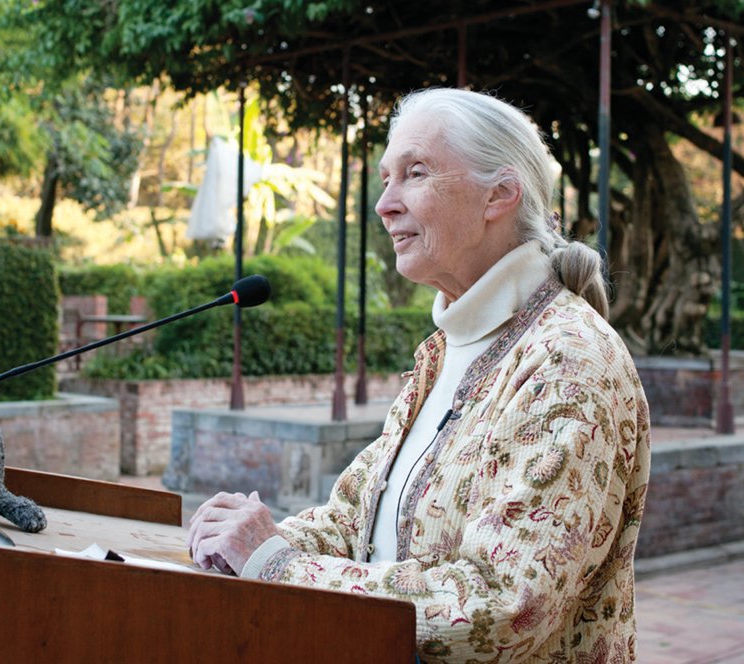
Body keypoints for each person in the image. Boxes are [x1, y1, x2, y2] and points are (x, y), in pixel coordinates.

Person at [187, 88, 651, 663]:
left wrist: (278, 564)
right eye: (387, 178)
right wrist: (248, 538)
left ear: (500, 195)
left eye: (416, 173)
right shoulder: (443, 351)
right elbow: (356, 521)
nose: (385, 204)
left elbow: (504, 607)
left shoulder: (567, 361)